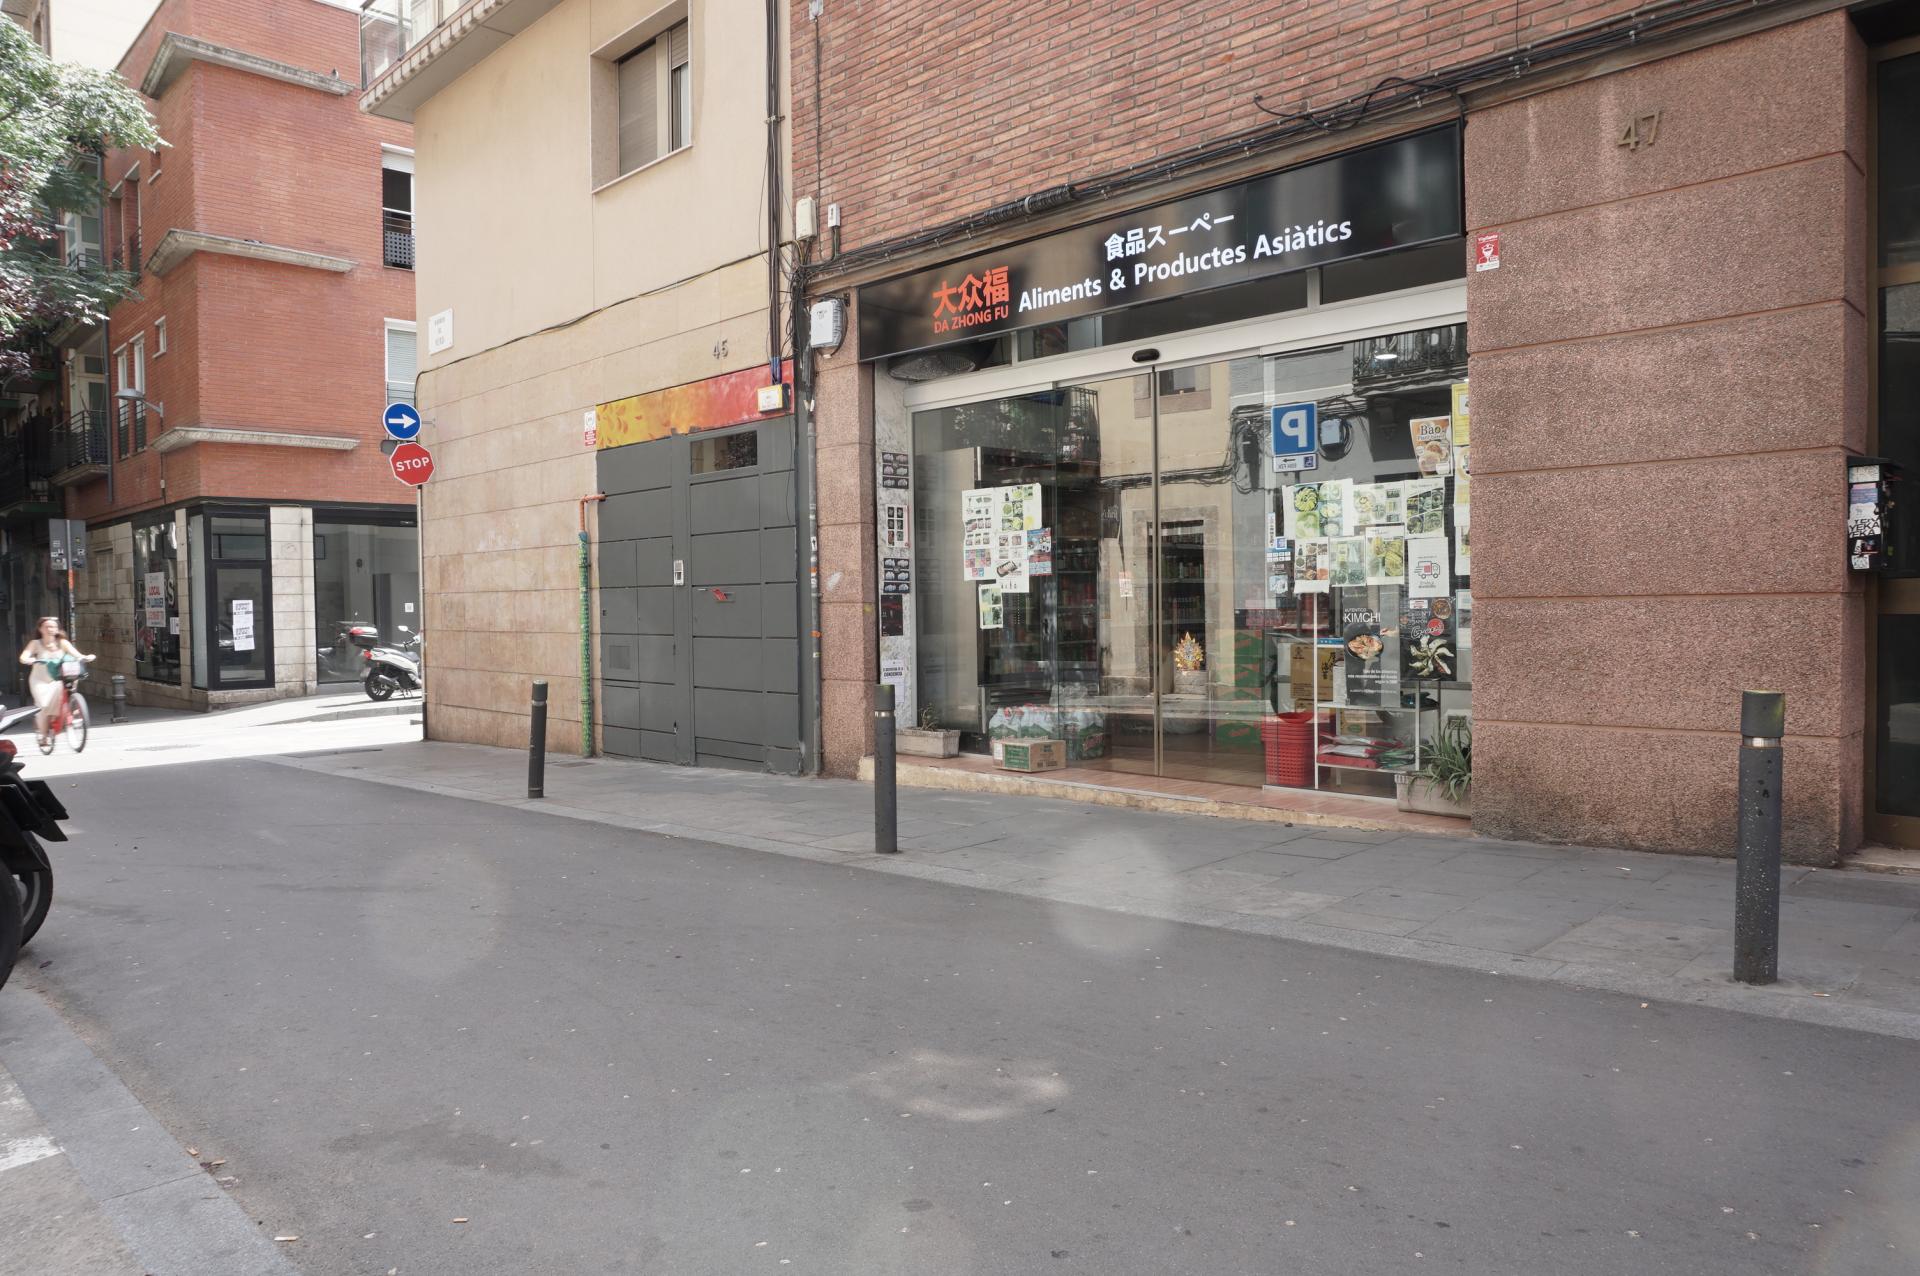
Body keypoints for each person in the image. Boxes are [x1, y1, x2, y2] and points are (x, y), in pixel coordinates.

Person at [18, 617, 90, 748]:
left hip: (57, 679)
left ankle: (71, 709)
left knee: (65, 692)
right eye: (47, 627)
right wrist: (29, 659)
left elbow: (76, 654)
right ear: (40, 629)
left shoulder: (63, 643)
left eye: (53, 627)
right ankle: (43, 734)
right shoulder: (35, 643)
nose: (50, 629)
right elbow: (23, 657)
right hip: (39, 680)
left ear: (57, 629)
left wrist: (84, 657)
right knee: (43, 705)